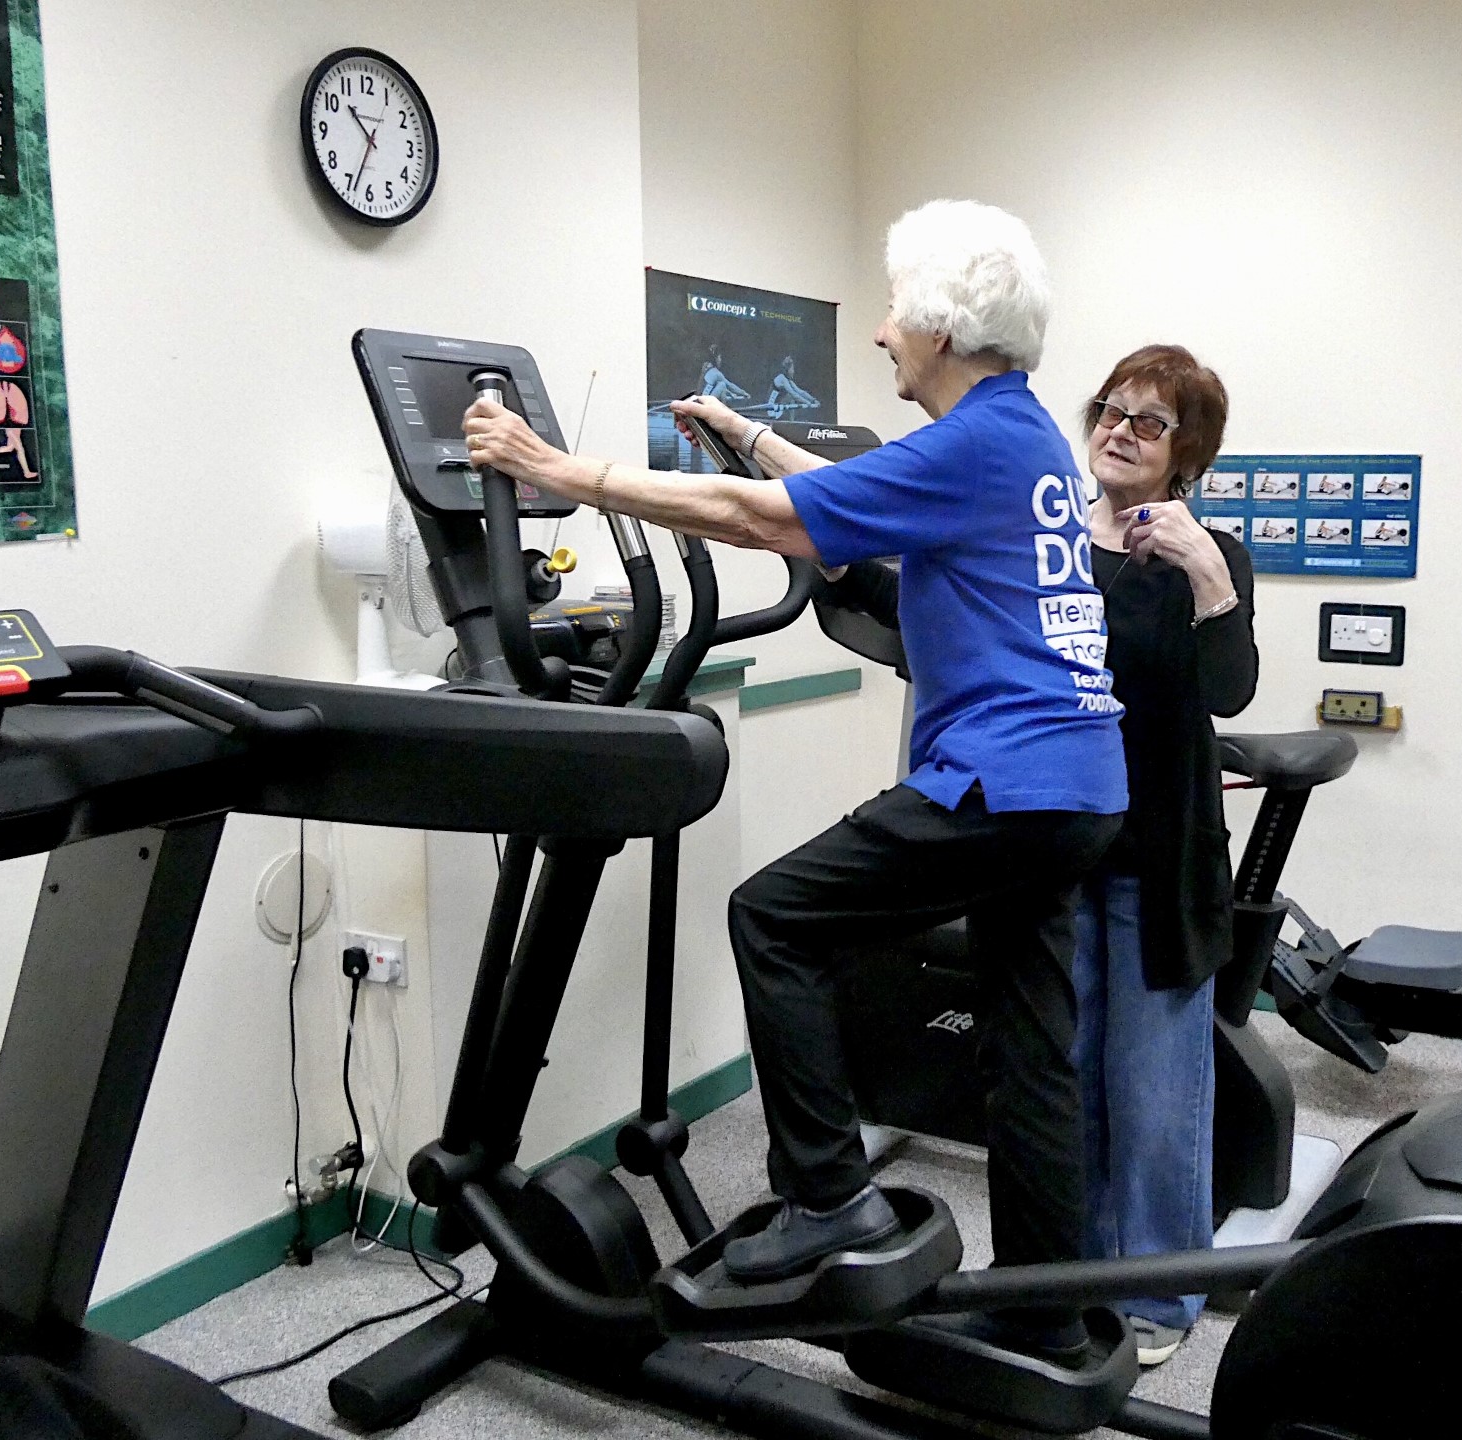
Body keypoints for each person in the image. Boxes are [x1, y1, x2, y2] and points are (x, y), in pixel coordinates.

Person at [462, 199, 1126, 1365]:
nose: (880, 334)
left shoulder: (977, 441)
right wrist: (741, 428)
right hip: (1077, 786)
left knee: (773, 917)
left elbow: (760, 523)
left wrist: (553, 467)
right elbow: (828, 499)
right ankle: (1045, 1306)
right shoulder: (1021, 440)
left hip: (1004, 779)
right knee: (1032, 1048)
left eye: (891, 312)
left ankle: (828, 1202)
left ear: (939, 324)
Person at [1073, 344, 1256, 1367]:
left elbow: (1229, 689)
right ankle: (1086, 1275)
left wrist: (1204, 572)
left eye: (1148, 421)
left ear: (1186, 452)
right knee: (1070, 1082)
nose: (1120, 430)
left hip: (1159, 860)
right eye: (1111, 409)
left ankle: (1158, 1297)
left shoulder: (1212, 551)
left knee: (1154, 1100)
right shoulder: (1053, 541)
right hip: (1058, 852)